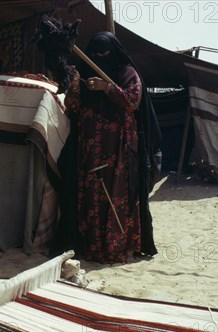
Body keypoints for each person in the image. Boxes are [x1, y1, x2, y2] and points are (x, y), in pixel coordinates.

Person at [50, 31, 162, 264]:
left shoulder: (127, 73)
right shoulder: (86, 74)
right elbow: (74, 109)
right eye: (96, 54)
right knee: (91, 195)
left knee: (116, 193)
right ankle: (91, 247)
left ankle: (115, 247)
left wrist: (106, 87)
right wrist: (74, 86)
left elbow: (132, 100)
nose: (100, 58)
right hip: (89, 148)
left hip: (118, 149)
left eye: (105, 53)